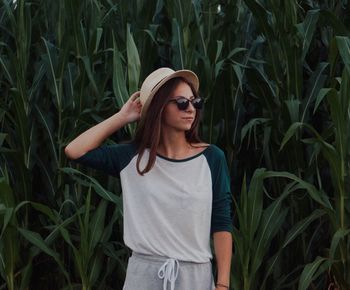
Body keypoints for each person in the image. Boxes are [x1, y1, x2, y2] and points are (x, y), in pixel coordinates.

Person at [65, 67, 233, 290]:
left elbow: (221, 223)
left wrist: (222, 285)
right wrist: (122, 117)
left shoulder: (212, 158)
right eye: (182, 102)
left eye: (195, 102)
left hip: (196, 279)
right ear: (159, 107)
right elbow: (75, 150)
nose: (191, 109)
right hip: (143, 278)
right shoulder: (132, 158)